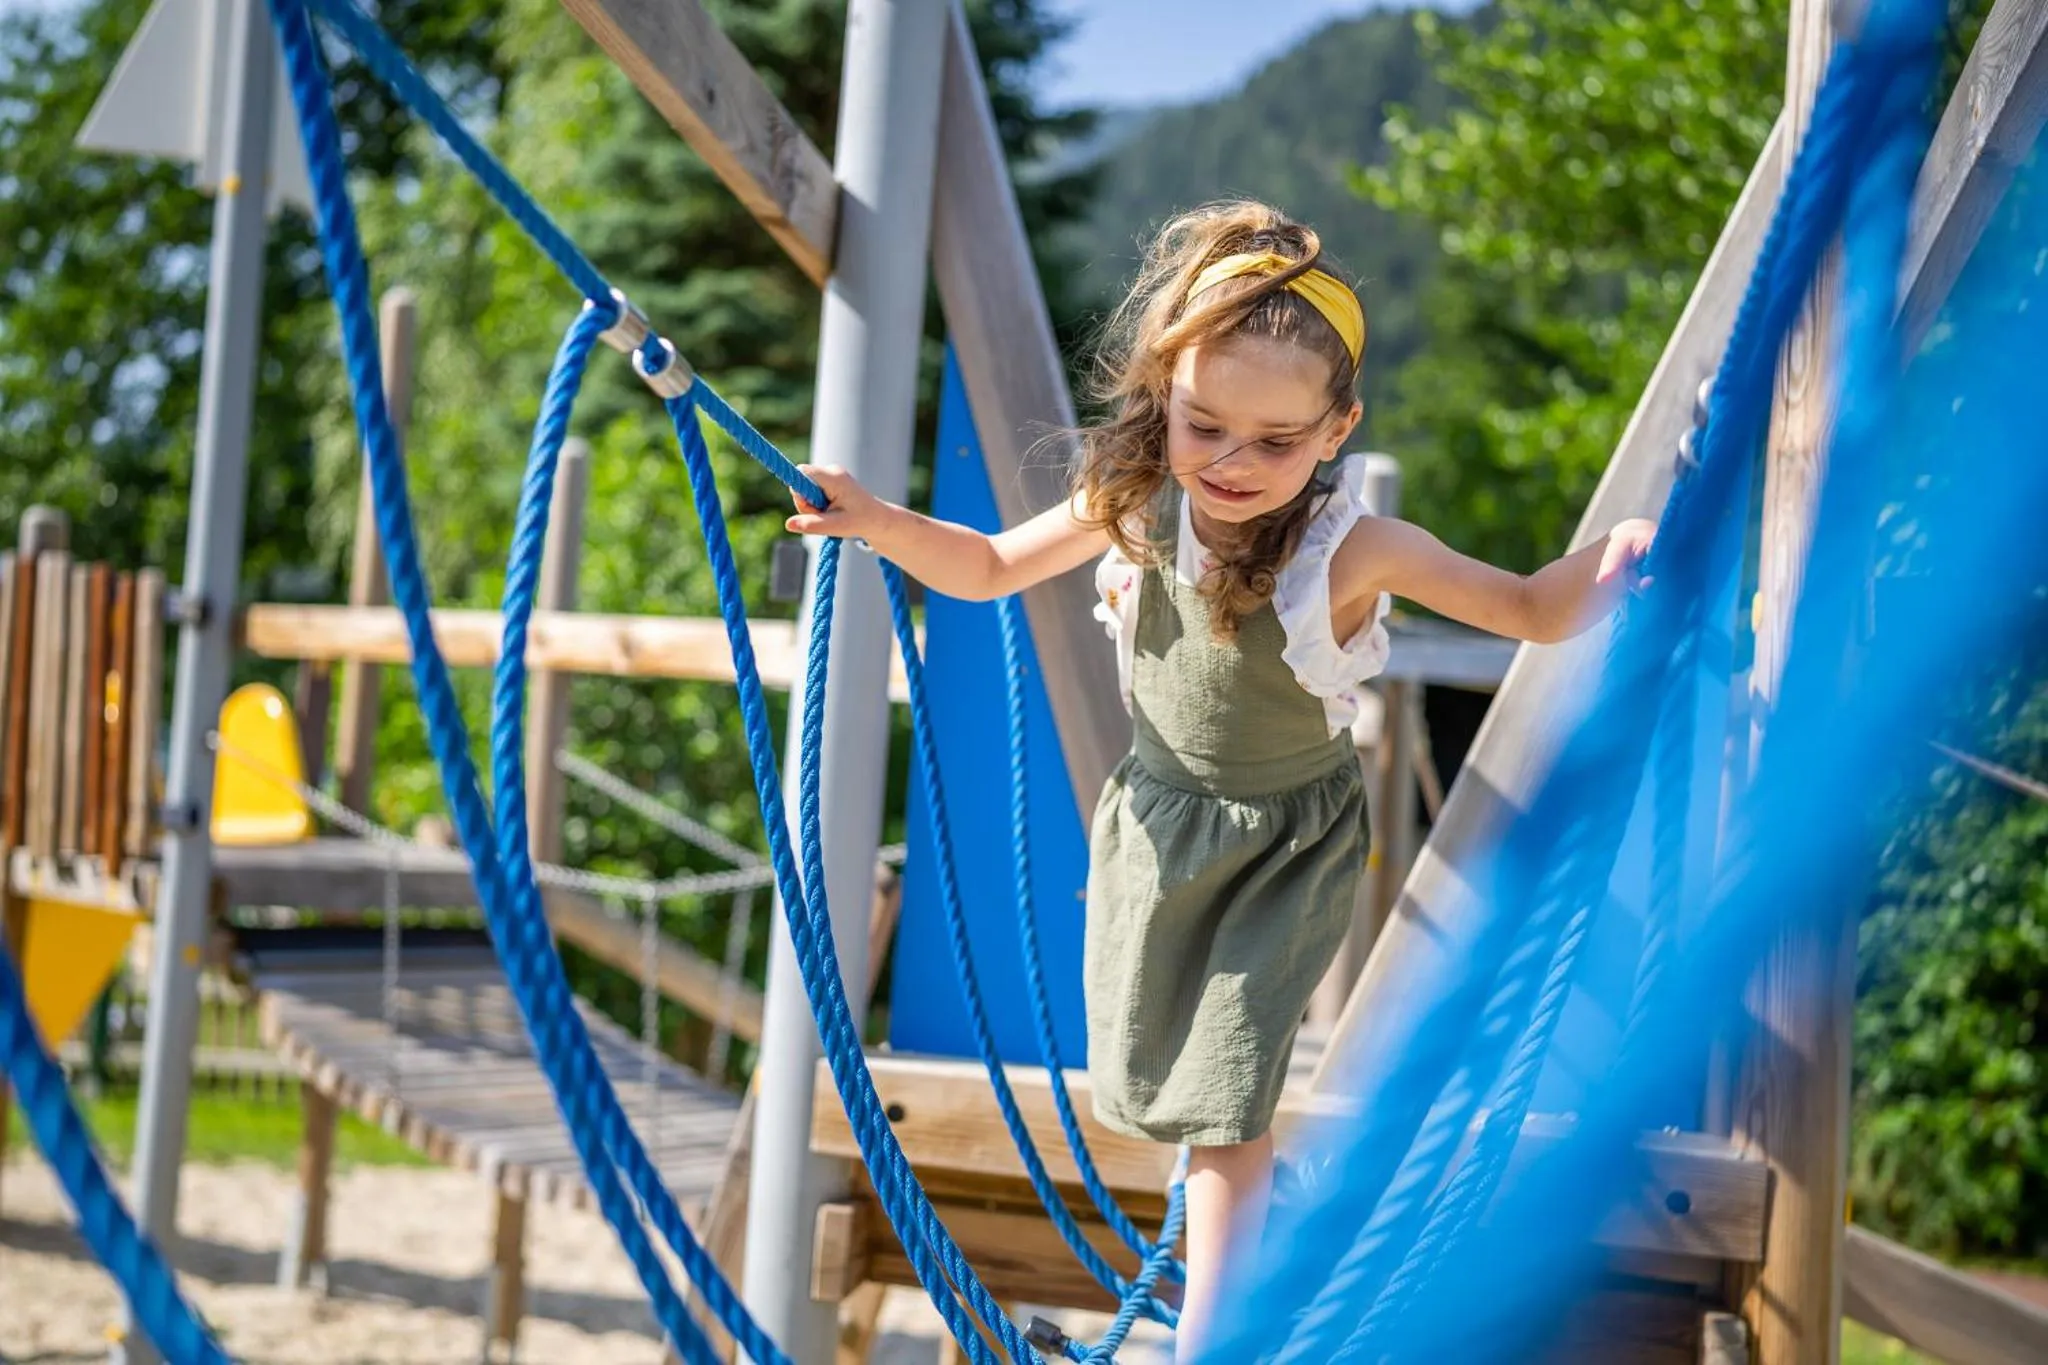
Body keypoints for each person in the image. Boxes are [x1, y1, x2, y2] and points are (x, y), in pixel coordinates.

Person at [783, 201, 1655, 1358]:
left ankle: (1214, 1330)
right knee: (1161, 1087)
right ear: (1165, 395)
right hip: (1155, 825)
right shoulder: (1133, 505)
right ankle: (1237, 1239)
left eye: (1275, 442)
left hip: (1284, 849)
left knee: (1229, 1093)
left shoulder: (1354, 549)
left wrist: (1639, 544)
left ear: (1337, 428)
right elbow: (987, 568)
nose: (1233, 465)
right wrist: (873, 520)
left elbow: (1529, 608)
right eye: (1203, 427)